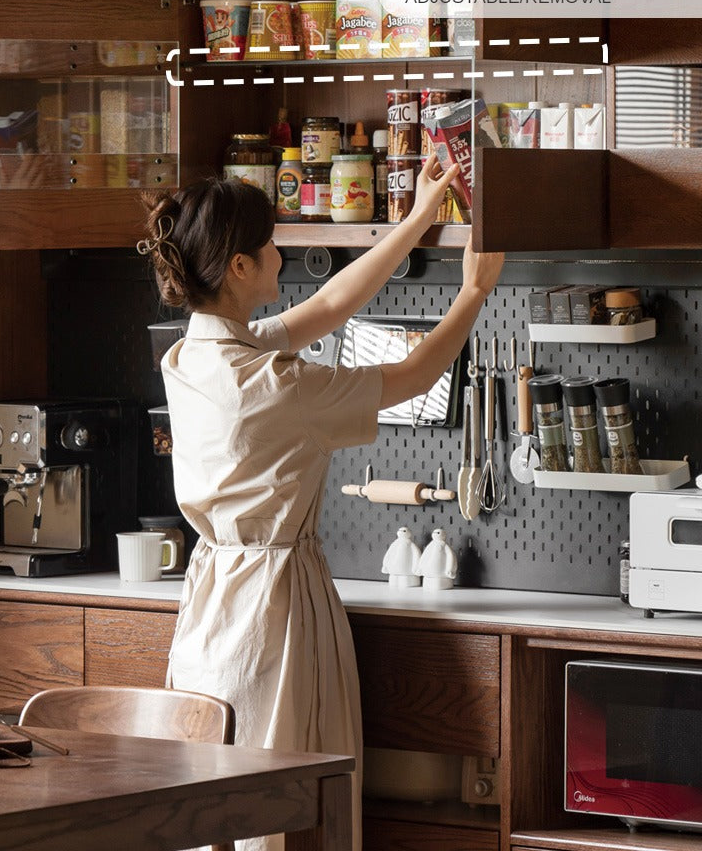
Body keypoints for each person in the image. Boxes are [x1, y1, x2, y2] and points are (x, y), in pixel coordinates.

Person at [138, 156, 503, 851]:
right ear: (241, 268)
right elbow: (416, 372)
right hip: (276, 604)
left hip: (213, 601)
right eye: (270, 243)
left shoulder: (193, 358)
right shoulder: (274, 385)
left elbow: (331, 305)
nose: (281, 251)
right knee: (289, 801)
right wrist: (475, 291)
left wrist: (418, 217)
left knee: (217, 799)